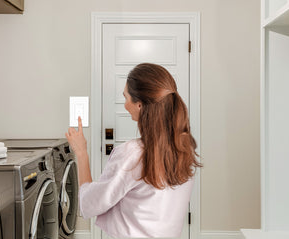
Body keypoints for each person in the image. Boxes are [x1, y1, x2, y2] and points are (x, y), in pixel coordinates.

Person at [66, 63, 203, 238]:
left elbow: (89, 203)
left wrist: (82, 153)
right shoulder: (185, 149)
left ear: (139, 105)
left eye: (126, 98)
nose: (125, 105)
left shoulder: (132, 154)